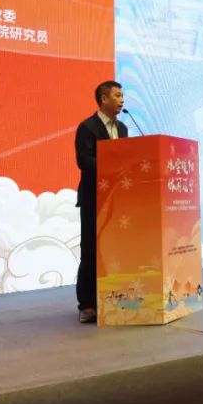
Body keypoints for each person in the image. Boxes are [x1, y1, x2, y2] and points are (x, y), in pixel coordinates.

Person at [74, 80, 128, 323]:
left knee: (115, 249)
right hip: (93, 198)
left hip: (118, 198)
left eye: (122, 96)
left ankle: (113, 297)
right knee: (91, 250)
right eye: (117, 95)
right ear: (104, 99)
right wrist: (113, 166)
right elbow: (84, 161)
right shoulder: (87, 127)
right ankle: (86, 304)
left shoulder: (123, 128)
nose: (122, 100)